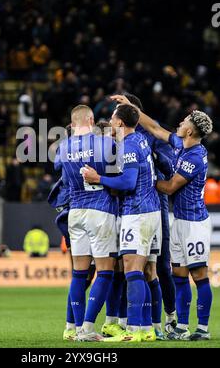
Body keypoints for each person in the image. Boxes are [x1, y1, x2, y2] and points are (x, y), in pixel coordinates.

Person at [115, 95, 214, 341]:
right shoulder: (184, 145)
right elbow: (155, 128)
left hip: (194, 223)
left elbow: (169, 188)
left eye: (184, 121)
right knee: (179, 275)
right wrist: (132, 109)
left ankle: (202, 327)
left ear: (189, 131)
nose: (180, 122)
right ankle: (181, 326)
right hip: (179, 219)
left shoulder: (193, 157)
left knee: (199, 275)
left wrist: (146, 180)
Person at [83, 104, 161, 342]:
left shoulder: (128, 146)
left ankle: (134, 330)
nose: (110, 120)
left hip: (137, 213)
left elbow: (128, 183)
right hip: (150, 210)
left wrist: (98, 178)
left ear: (119, 123)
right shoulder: (141, 140)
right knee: (143, 271)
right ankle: (146, 328)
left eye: (112, 117)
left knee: (133, 271)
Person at [56, 105, 118, 341]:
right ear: (91, 120)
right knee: (105, 272)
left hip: (75, 212)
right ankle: (88, 329)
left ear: (73, 123)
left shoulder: (62, 147)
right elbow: (117, 174)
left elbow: (61, 174)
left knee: (79, 274)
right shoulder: (105, 144)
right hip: (100, 210)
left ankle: (72, 327)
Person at [124, 94, 177, 338]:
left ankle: (170, 317)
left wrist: (153, 165)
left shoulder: (151, 136)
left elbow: (170, 166)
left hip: (154, 204)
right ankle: (134, 321)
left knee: (159, 265)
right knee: (127, 266)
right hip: (126, 205)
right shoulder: (119, 137)